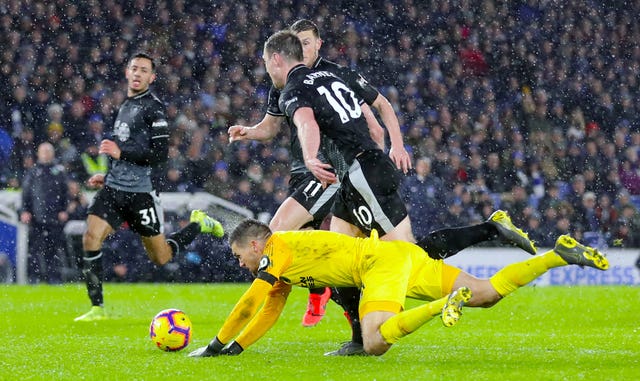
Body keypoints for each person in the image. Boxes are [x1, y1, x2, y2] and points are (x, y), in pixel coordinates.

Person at [257, 30, 537, 355]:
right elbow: (377, 117)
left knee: (410, 254)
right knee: (340, 253)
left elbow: (308, 124)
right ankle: (359, 339)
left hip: (363, 173)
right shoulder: (336, 76)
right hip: (359, 175)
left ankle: (491, 228)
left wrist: (325, 158)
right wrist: (385, 150)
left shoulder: (299, 86)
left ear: (281, 57)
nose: (267, 69)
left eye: (266, 62)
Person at [188, 219, 609, 357]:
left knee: (374, 343)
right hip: (402, 257)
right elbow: (268, 310)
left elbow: (250, 302)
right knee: (487, 293)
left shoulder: (277, 246)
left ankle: (444, 304)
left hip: (379, 264)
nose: (240, 262)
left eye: (240, 254)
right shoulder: (282, 264)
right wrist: (237, 349)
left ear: (256, 244)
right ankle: (558, 254)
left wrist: (214, 345)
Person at [228, 19, 411, 328]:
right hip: (307, 171)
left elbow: (370, 120)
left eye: (307, 42)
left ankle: (257, 315)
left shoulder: (333, 76)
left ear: (318, 44)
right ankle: (334, 296)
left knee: (277, 235)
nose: (302, 48)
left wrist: (386, 150)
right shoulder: (286, 85)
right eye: (297, 43)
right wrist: (249, 131)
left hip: (330, 172)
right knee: (330, 249)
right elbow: (271, 127)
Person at [74, 52, 224, 322]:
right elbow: (125, 148)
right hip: (114, 189)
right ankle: (97, 308)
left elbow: (160, 154)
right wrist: (106, 176)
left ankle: (198, 224)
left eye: (144, 70)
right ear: (126, 72)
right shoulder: (124, 105)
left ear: (152, 77)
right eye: (134, 68)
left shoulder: (153, 108)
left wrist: (121, 154)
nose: (138, 73)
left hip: (140, 193)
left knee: (161, 257)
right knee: (90, 237)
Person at [19, 142, 69, 283]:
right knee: (34, 250)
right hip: (36, 217)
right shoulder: (33, 172)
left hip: (54, 218)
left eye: (48, 151)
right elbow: (26, 194)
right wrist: (25, 211)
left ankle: (53, 278)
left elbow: (65, 193)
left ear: (53, 154)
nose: (46, 154)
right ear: (38, 154)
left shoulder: (59, 171)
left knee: (53, 249)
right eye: (44, 151)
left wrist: (64, 210)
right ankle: (34, 278)